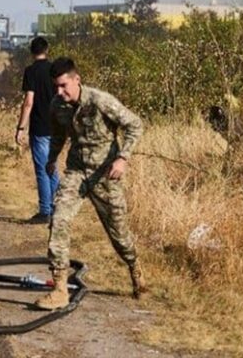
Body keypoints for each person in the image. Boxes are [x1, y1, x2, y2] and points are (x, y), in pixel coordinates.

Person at [35, 57, 148, 310]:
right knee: (59, 219)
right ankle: (60, 289)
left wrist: (123, 158)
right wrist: (52, 158)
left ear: (77, 80)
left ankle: (135, 268)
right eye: (56, 87)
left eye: (64, 85)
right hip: (77, 171)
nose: (60, 92)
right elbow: (58, 134)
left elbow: (135, 124)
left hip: (105, 174)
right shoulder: (58, 105)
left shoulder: (100, 101)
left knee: (119, 234)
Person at [14, 36, 60, 223]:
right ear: (47, 50)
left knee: (42, 170)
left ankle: (44, 211)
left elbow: (29, 102)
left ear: (31, 52)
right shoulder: (55, 70)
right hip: (56, 126)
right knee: (52, 168)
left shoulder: (31, 71)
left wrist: (20, 128)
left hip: (40, 127)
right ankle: (58, 206)